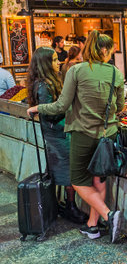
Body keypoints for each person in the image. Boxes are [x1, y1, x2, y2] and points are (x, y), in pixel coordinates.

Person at [27, 30, 124, 243]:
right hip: (108, 134)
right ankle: (92, 226)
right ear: (104, 50)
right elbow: (120, 107)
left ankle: (109, 215)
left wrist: (38, 108)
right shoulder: (116, 73)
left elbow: (61, 105)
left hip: (83, 134)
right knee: (98, 177)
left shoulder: (77, 70)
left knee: (78, 181)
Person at [26, 47, 88, 224]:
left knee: (65, 170)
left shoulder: (51, 80)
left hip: (59, 132)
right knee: (68, 171)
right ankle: (70, 206)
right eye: (53, 60)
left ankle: (65, 204)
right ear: (45, 64)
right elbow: (50, 113)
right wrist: (68, 109)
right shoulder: (44, 85)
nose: (58, 62)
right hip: (57, 134)